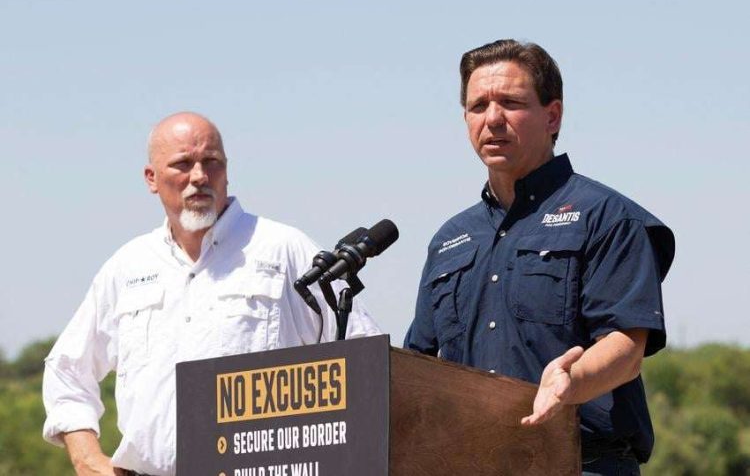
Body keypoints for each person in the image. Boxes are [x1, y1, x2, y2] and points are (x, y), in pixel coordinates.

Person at [42, 112, 380, 476]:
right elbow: (67, 370)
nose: (199, 176)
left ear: (227, 171)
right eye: (183, 164)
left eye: (211, 162)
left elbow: (366, 363)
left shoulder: (283, 251)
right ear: (151, 179)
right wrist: (87, 458)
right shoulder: (127, 267)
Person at [403, 40, 674, 475]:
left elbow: (625, 348)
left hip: (581, 462)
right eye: (478, 106)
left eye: (511, 103)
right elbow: (418, 364)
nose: (492, 119)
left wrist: (572, 383)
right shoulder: (450, 240)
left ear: (552, 116)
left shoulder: (606, 217)